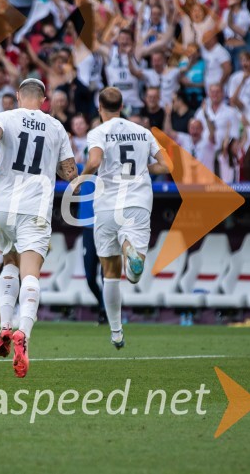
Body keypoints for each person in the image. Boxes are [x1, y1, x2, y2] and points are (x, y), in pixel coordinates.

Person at [0, 78, 77, 378]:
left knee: (9, 261)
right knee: (30, 272)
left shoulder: (4, 117)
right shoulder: (56, 127)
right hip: (35, 207)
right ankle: (24, 334)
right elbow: (70, 172)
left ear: (19, 96)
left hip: (3, 205)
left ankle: (5, 325)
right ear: (44, 100)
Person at [81, 87, 172, 348]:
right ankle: (128, 246)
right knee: (133, 276)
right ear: (122, 107)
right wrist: (143, 167)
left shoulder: (98, 132)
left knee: (110, 274)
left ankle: (116, 332)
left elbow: (94, 161)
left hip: (107, 206)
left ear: (100, 108)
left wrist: (80, 179)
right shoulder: (143, 132)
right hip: (137, 203)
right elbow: (167, 165)